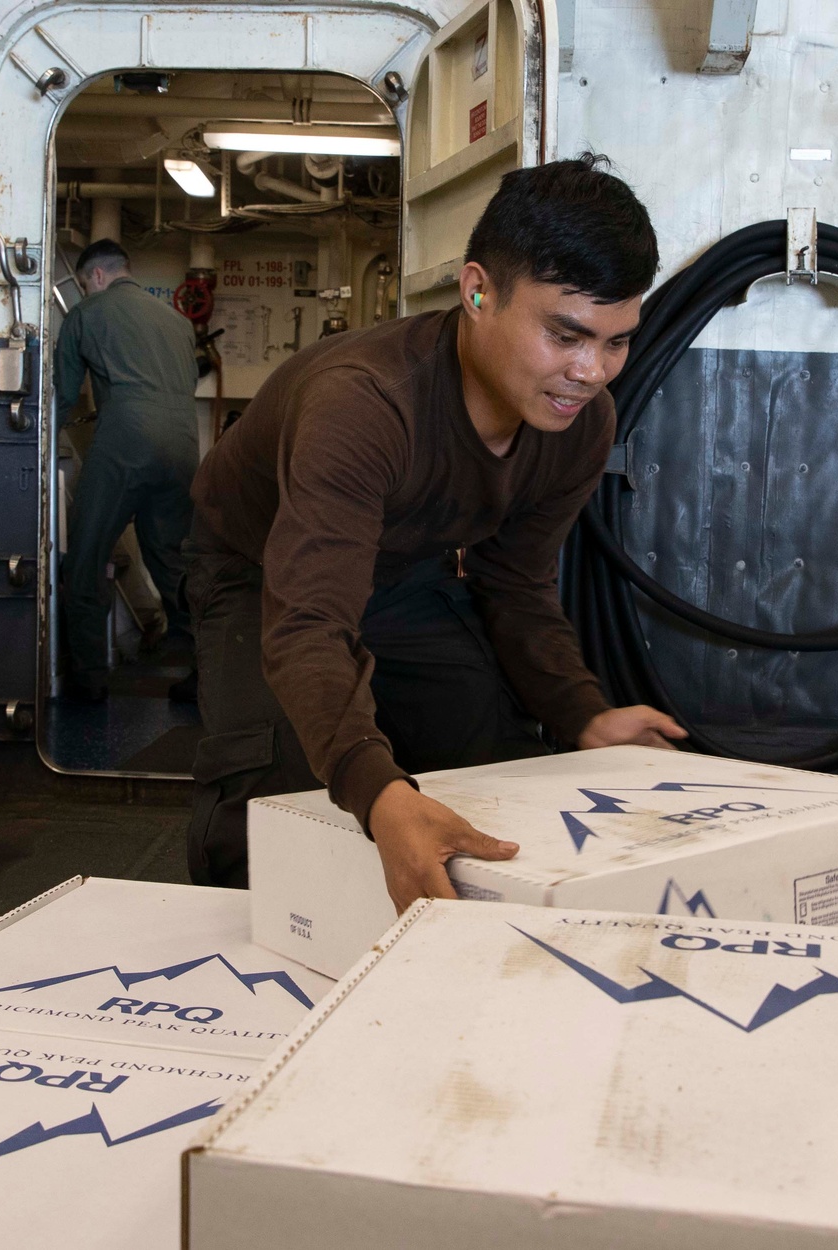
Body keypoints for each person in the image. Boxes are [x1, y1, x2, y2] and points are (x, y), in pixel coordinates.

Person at [185, 155, 687, 911]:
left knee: (488, 743)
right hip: (261, 567)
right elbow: (310, 622)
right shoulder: (364, 406)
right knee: (276, 794)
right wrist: (376, 789)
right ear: (476, 290)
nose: (590, 371)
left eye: (615, 342)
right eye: (566, 334)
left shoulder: (580, 424)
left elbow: (514, 581)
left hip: (404, 565)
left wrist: (581, 711)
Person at [55, 239, 199, 701]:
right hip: (184, 444)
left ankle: (90, 682)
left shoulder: (85, 315)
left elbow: (61, 396)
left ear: (95, 277)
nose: (84, 292)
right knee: (175, 563)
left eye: (83, 284)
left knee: (87, 556)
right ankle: (209, 676)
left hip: (126, 439)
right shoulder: (179, 323)